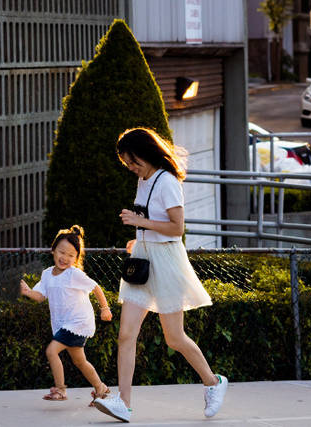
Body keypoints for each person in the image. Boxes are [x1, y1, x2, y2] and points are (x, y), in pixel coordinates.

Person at [93, 128, 228, 422]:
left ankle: (213, 383)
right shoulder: (144, 180)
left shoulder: (167, 182)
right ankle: (124, 404)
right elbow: (152, 223)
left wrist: (141, 223)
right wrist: (139, 236)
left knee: (174, 338)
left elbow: (177, 228)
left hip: (166, 260)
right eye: (127, 164)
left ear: (145, 153)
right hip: (142, 258)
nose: (131, 168)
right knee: (126, 334)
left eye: (133, 162)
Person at [20, 225, 113, 405]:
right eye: (62, 252)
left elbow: (95, 287)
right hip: (64, 325)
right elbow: (40, 296)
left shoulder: (74, 274)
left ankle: (61, 390)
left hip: (78, 323)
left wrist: (104, 308)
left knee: (51, 351)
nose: (65, 258)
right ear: (53, 250)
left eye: (71, 255)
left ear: (76, 258)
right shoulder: (47, 274)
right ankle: (101, 388)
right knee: (80, 361)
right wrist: (27, 292)